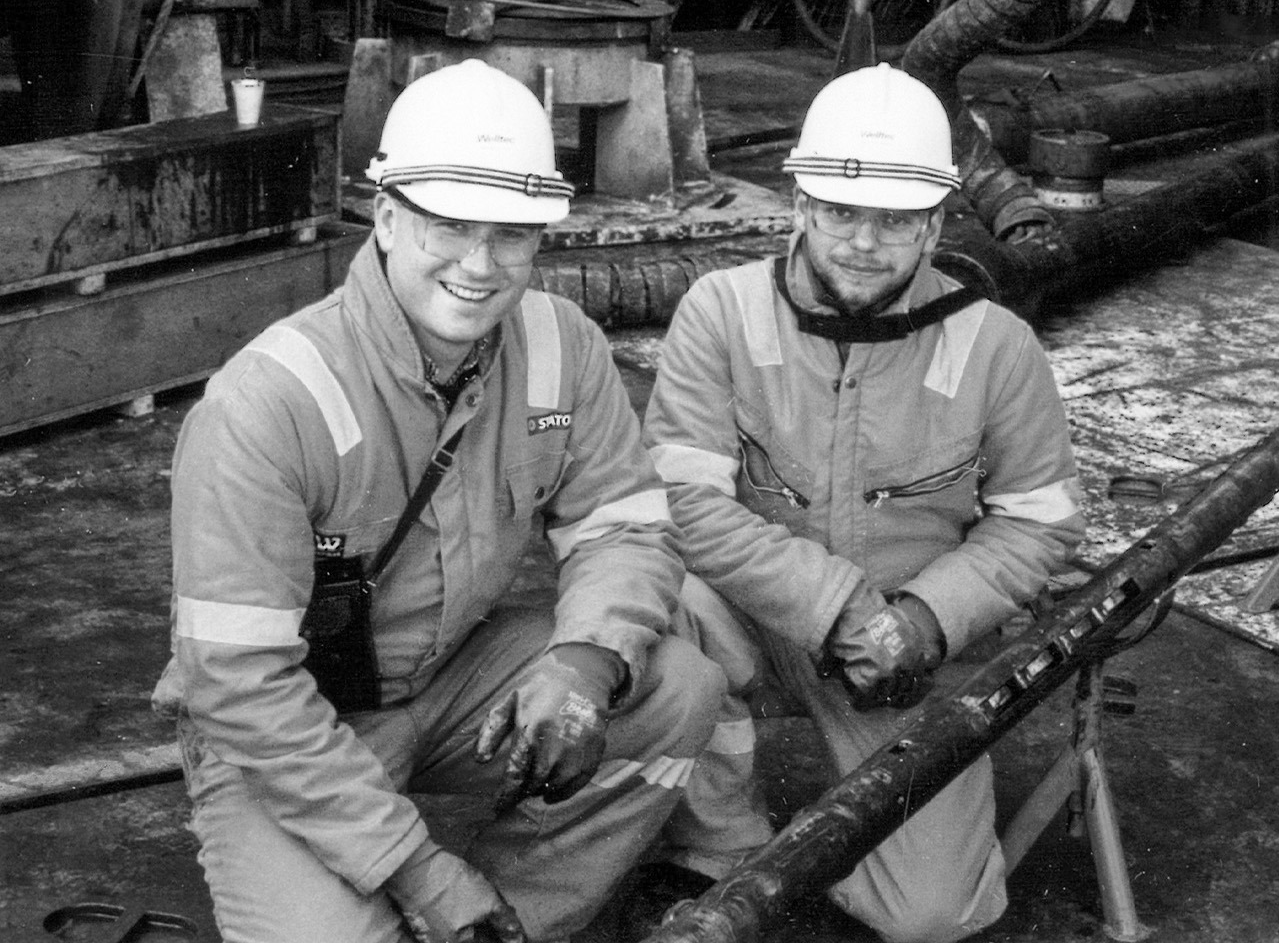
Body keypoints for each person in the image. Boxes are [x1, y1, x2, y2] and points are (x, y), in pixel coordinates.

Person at [153, 59, 723, 943]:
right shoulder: (267, 403)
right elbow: (240, 685)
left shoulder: (562, 344)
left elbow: (624, 527)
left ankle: (510, 920)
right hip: (287, 727)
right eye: (450, 225)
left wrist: (585, 662)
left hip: (451, 680)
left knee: (674, 686)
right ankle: (435, 905)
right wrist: (422, 872)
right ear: (385, 216)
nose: (480, 264)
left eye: (511, 233)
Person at [642, 63, 1087, 943]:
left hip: (906, 647)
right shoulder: (719, 313)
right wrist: (837, 606)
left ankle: (850, 850)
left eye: (894, 218)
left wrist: (924, 620)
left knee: (933, 917)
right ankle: (720, 840)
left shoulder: (998, 346)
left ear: (936, 222)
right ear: (800, 205)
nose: (862, 241)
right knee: (666, 607)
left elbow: (1038, 522)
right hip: (756, 614)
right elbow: (684, 503)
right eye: (841, 211)